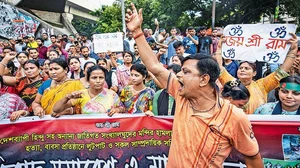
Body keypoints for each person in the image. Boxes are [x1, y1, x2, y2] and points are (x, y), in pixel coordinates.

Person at [125, 3, 263, 167]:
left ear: (204, 79)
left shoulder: (234, 117)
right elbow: (154, 67)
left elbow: (253, 158)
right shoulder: (181, 95)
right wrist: (137, 33)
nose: (179, 75)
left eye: (186, 72)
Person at [216, 34, 298, 114]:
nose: (242, 70)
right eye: (240, 68)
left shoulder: (262, 85)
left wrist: (293, 51)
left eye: (247, 68)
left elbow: (281, 72)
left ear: (254, 73)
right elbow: (219, 67)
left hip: (258, 124)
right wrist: (219, 48)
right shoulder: (231, 82)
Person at [52, 65, 124, 116]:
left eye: (101, 77)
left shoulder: (112, 94)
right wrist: (68, 97)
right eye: (94, 78)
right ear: (88, 80)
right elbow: (56, 110)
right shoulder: (81, 94)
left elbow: (122, 109)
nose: (98, 81)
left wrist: (117, 110)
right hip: (87, 133)